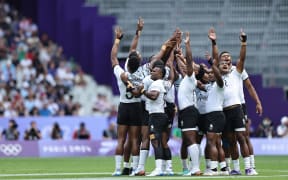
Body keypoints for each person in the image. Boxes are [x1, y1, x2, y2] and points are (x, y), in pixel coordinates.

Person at [217, 29, 254, 175]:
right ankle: (236, 168)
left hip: (237, 109)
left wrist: (243, 43)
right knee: (230, 140)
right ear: (219, 63)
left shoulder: (236, 71)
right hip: (224, 111)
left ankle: (249, 168)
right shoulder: (216, 76)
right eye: (223, 59)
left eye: (228, 59)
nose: (226, 61)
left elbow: (242, 59)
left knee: (241, 138)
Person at [110, 19, 144, 176]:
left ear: (128, 62)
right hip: (136, 106)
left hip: (124, 105)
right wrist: (138, 32)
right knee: (135, 140)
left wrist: (117, 40)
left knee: (121, 140)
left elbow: (113, 58)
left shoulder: (121, 73)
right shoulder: (142, 74)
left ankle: (118, 170)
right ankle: (134, 168)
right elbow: (133, 50)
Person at [177, 32, 201, 176]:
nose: (188, 67)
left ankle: (196, 168)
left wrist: (187, 45)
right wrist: (178, 54)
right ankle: (191, 167)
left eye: (192, 67)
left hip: (189, 111)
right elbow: (183, 65)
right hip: (185, 111)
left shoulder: (191, 77)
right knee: (187, 140)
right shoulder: (186, 78)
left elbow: (189, 61)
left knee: (190, 139)